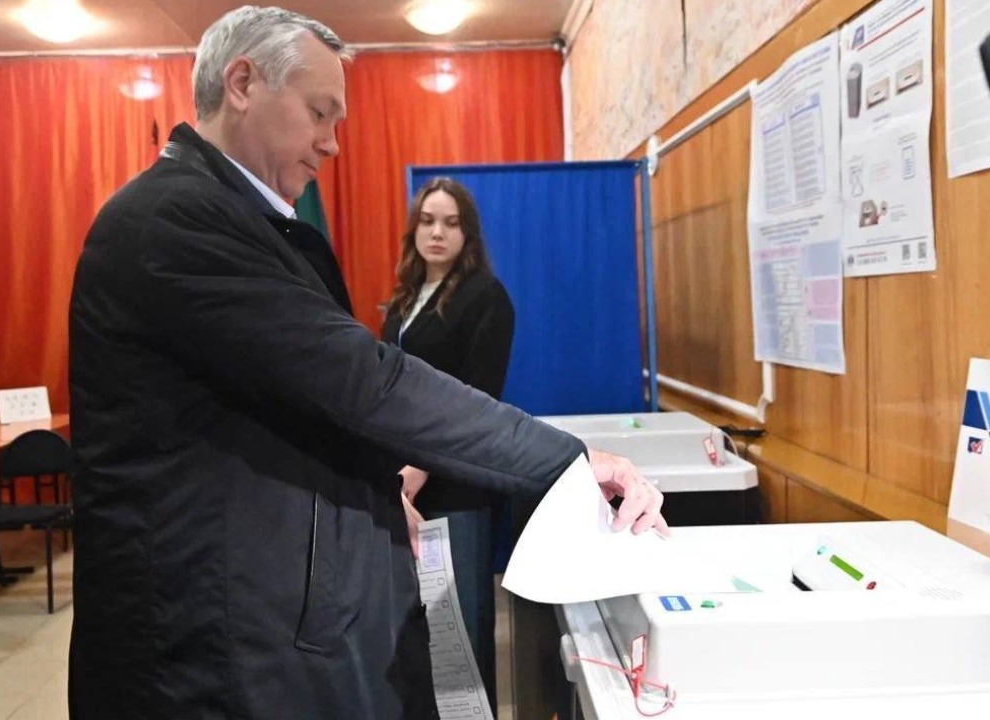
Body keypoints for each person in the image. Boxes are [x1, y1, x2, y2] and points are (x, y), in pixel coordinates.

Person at [66, 6, 668, 720]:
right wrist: (568, 460)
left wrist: (378, 493)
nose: (331, 143)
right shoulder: (175, 222)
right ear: (243, 83)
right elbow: (365, 383)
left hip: (249, 614)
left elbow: (302, 400)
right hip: (205, 642)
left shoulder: (230, 217)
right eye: (319, 113)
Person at [381, 177, 514, 712]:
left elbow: (477, 400)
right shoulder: (404, 299)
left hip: (455, 487)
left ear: (467, 234)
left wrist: (420, 467)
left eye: (451, 223)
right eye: (428, 221)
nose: (438, 233)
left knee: (459, 635)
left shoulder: (485, 297)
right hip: (401, 487)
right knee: (419, 633)